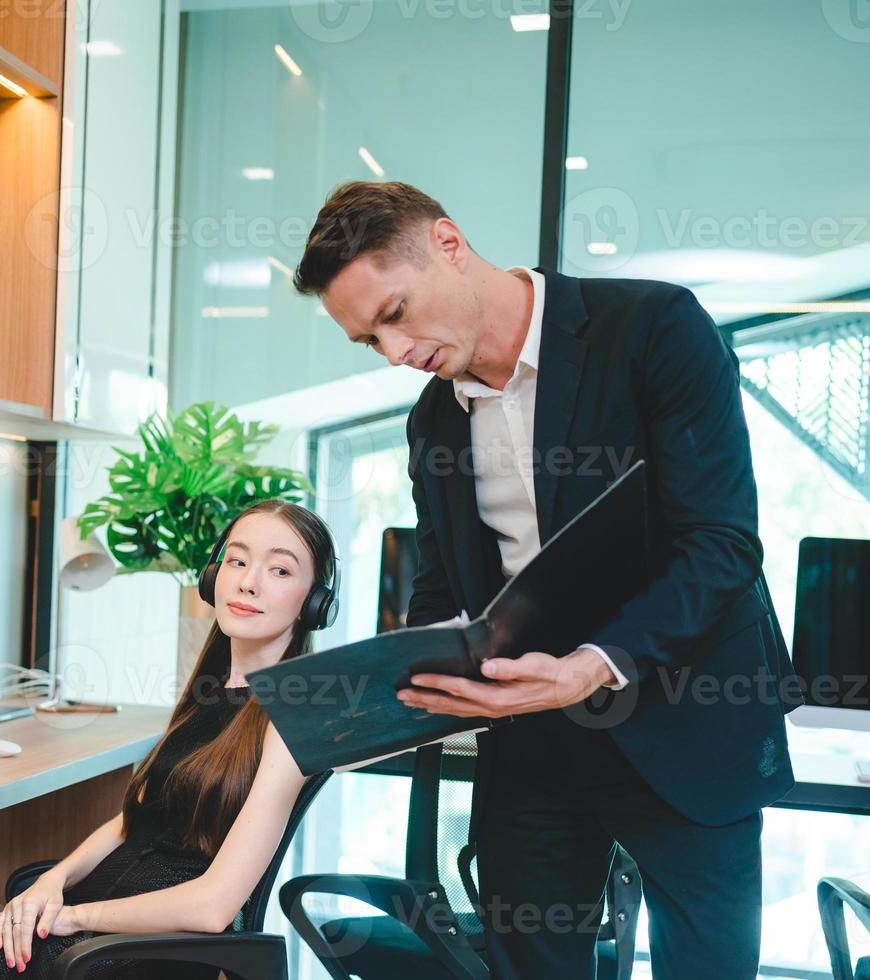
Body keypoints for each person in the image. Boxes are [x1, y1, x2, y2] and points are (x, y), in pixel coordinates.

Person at [293, 181, 794, 979]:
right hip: (533, 739)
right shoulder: (433, 419)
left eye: (393, 315)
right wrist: (384, 690)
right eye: (368, 342)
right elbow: (443, 587)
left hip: (686, 717)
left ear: (449, 244)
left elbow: (720, 547)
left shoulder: (654, 328)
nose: (393, 353)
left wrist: (589, 666)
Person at [0, 498, 339, 980]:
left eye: (280, 570)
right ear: (212, 575)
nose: (248, 582)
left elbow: (213, 907)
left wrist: (71, 916)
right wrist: (53, 881)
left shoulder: (288, 723)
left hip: (136, 952)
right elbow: (132, 821)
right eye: (238, 561)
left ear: (315, 602)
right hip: (92, 929)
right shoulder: (210, 693)